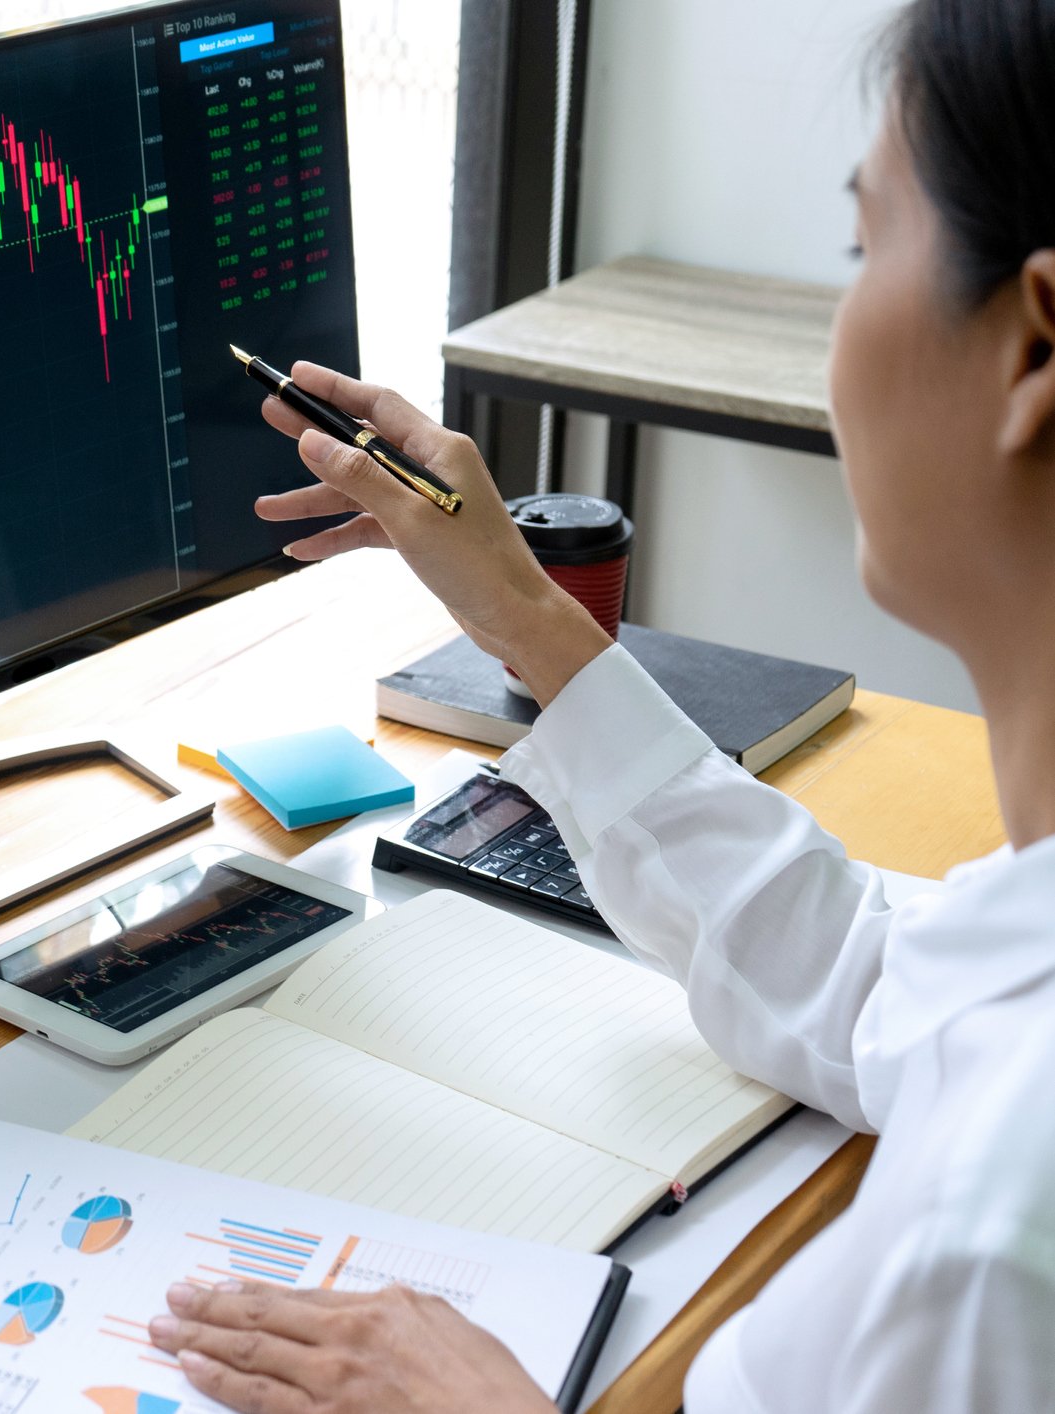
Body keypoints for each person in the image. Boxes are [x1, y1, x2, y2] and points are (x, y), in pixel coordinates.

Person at [144, 0, 1055, 1408]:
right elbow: (877, 980)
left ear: (1033, 349)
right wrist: (514, 608)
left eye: (862, 246)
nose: (837, 318)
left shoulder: (991, 1239)